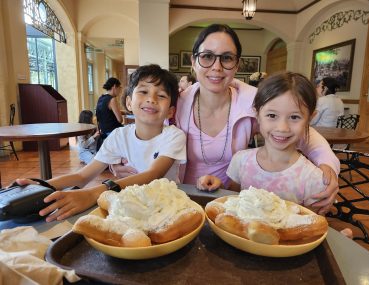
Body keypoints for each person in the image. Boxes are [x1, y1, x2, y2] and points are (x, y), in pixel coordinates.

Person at [174, 23, 339, 214]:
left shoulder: (253, 99)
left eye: (226, 58)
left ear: (236, 65)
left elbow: (307, 133)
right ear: (194, 62)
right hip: (184, 199)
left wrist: (328, 166)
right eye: (207, 56)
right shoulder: (177, 103)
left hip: (231, 203)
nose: (216, 67)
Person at [14, 64, 186, 222]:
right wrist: (42, 185)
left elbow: (152, 174)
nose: (152, 99)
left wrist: (92, 194)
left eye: (161, 95)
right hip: (131, 208)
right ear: (128, 102)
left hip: (168, 209)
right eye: (143, 92)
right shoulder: (119, 136)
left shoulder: (174, 136)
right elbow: (83, 176)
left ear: (170, 111)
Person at [197, 72, 326, 205]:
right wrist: (217, 187)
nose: (282, 128)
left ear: (310, 118)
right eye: (271, 115)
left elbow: (314, 224)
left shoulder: (312, 178)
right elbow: (233, 202)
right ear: (257, 114)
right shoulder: (241, 161)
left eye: (294, 117)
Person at [95, 77, 124, 149]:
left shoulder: (101, 98)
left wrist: (124, 112)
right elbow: (120, 120)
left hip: (104, 131)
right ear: (114, 86)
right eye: (119, 88)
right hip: (113, 131)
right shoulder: (112, 99)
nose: (120, 91)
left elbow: (107, 113)